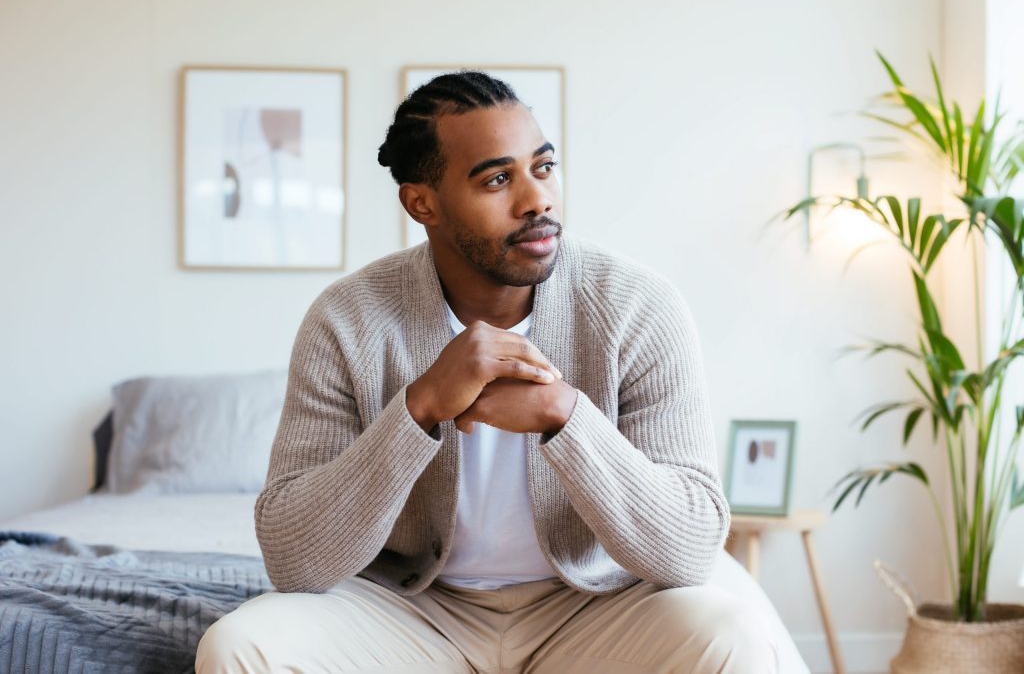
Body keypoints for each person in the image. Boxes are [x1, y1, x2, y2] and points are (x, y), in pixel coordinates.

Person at [196, 71, 778, 673]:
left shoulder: (638, 307)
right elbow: (294, 560)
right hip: (410, 614)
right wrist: (418, 408)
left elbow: (688, 552)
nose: (537, 200)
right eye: (498, 179)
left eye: (543, 168)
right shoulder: (346, 320)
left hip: (593, 611)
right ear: (422, 202)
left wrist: (567, 416)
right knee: (240, 645)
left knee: (732, 632)